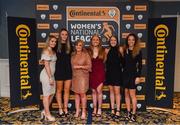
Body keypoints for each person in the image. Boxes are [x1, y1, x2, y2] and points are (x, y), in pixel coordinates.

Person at [122, 33, 142, 122]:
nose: (131, 41)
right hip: (125, 75)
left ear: (135, 41)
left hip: (133, 75)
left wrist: (138, 76)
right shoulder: (125, 50)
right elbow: (123, 64)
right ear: (127, 41)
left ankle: (134, 114)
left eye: (133, 40)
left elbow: (140, 65)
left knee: (132, 95)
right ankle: (128, 112)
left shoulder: (138, 51)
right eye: (129, 39)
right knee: (126, 94)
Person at [71, 39, 92, 120]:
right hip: (75, 77)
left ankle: (83, 111)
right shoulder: (73, 55)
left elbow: (89, 67)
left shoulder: (85, 55)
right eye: (76, 45)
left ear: (82, 46)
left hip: (83, 77)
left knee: (82, 94)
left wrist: (80, 67)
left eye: (80, 45)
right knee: (76, 94)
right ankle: (77, 111)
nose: (78, 47)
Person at [55, 28, 72, 117]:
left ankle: (65, 108)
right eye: (62, 34)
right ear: (60, 35)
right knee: (59, 90)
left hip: (68, 71)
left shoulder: (70, 46)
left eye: (66, 34)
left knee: (66, 90)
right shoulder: (56, 45)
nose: (64, 36)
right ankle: (60, 108)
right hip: (59, 71)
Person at [40, 35, 57, 121]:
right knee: (46, 95)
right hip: (46, 75)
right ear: (48, 41)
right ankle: (47, 114)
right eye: (52, 41)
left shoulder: (53, 51)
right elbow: (46, 65)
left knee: (52, 93)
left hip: (51, 75)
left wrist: (52, 77)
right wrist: (50, 77)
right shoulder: (46, 51)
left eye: (55, 41)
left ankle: (44, 111)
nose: (53, 43)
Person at [105, 36, 123, 117]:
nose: (113, 41)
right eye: (111, 40)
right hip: (109, 74)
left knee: (117, 93)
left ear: (117, 41)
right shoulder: (107, 50)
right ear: (109, 41)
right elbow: (105, 62)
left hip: (117, 74)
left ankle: (118, 110)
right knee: (111, 92)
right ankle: (112, 110)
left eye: (114, 40)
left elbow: (123, 63)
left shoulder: (120, 50)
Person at [88, 34, 105, 117]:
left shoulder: (103, 51)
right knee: (94, 91)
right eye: (94, 39)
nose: (95, 41)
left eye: (97, 39)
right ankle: (95, 108)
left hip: (100, 73)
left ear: (99, 41)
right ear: (91, 41)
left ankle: (99, 109)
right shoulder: (88, 51)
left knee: (99, 91)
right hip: (91, 73)